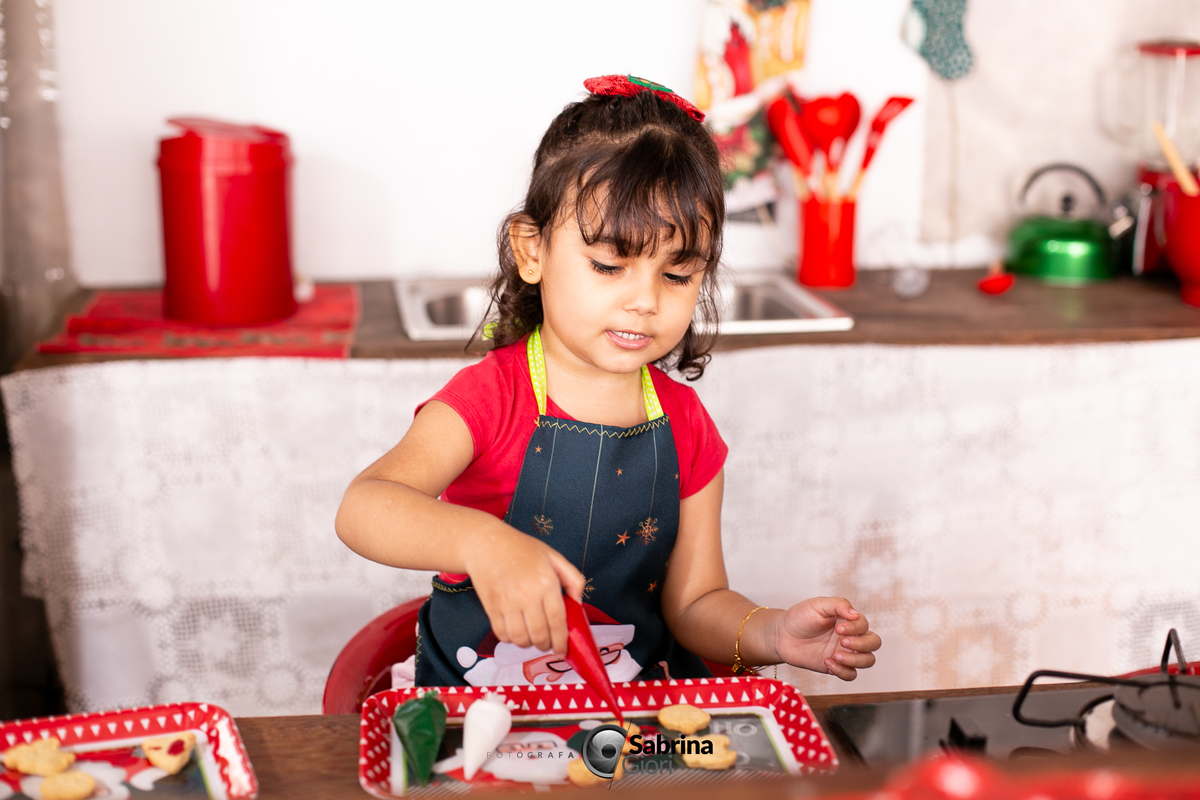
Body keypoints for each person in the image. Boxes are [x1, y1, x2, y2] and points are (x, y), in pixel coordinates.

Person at [335, 75, 881, 687]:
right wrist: (482, 543)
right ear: (531, 249)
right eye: (608, 265)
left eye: (676, 275)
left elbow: (695, 604)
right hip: (479, 721)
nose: (643, 301)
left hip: (631, 730)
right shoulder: (490, 399)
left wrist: (770, 632)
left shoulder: (687, 426)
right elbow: (363, 508)